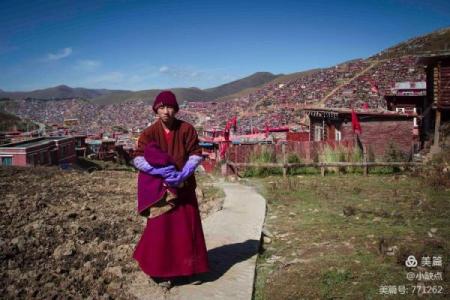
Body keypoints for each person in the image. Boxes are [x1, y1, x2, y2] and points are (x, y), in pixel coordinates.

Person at [132, 91, 209, 288]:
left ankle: (192, 270)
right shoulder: (149, 133)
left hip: (184, 187)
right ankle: (162, 272)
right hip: (161, 191)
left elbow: (195, 154)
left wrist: (183, 174)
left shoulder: (186, 129)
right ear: (156, 109)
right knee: (162, 231)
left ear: (176, 109)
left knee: (188, 229)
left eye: (170, 107)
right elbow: (138, 158)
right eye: (161, 107)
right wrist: (159, 171)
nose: (166, 111)